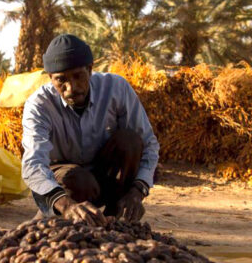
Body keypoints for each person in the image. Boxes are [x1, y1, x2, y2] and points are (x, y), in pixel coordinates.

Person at [22, 34, 160, 225]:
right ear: (50, 78)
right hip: (69, 183)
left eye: (78, 76)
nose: (71, 88)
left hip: (106, 177)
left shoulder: (116, 88)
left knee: (130, 141)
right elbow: (33, 165)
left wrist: (138, 190)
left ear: (90, 69)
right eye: (61, 80)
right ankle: (57, 216)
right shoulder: (39, 105)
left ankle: (114, 216)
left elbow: (149, 145)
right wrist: (66, 204)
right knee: (78, 180)